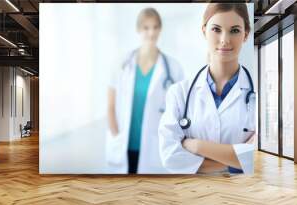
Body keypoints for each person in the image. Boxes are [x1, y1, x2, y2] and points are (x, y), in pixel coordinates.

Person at [158, 3, 256, 174]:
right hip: (195, 194)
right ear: (204, 31)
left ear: (246, 35)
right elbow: (170, 157)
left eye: (234, 30)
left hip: (244, 195)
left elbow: (259, 155)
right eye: (216, 29)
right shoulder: (179, 93)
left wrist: (197, 145)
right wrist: (235, 162)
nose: (225, 39)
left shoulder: (259, 96)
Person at [106, 7, 184, 174]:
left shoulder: (173, 68)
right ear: (138, 30)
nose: (151, 33)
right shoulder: (122, 63)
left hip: (155, 147)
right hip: (125, 143)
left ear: (160, 29)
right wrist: (117, 136)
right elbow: (110, 105)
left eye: (155, 27)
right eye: (146, 28)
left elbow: (180, 110)